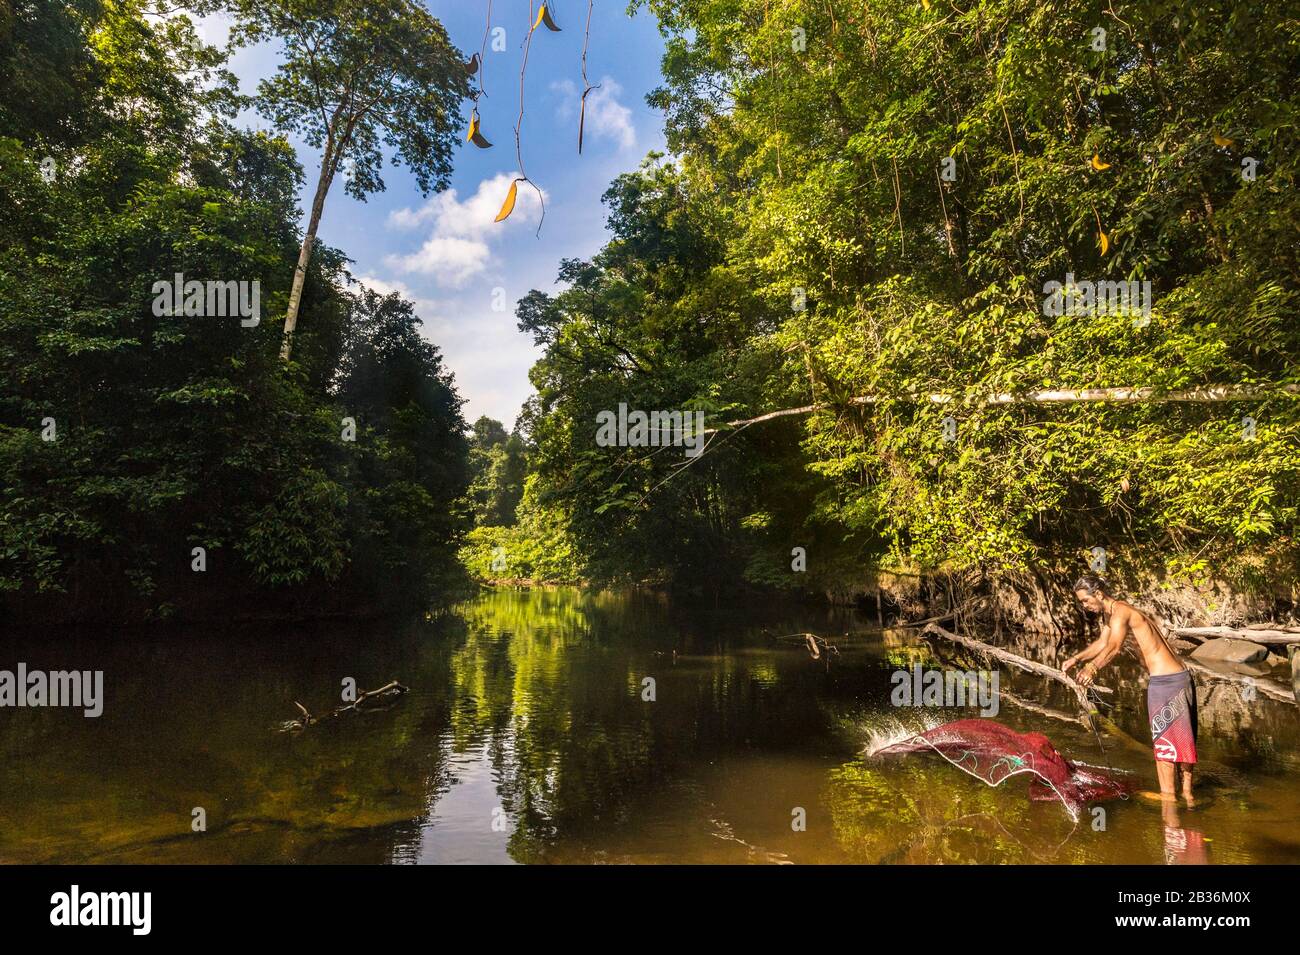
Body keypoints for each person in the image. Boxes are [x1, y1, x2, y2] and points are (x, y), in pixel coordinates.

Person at [1061, 575, 1197, 805]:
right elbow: (1102, 644)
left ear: (1099, 594)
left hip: (1166, 681)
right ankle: (1188, 796)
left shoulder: (1121, 611)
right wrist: (1076, 658)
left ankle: (1168, 800)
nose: (1084, 606)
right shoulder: (1111, 614)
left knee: (1165, 744)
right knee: (1183, 742)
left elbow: (1114, 647)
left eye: (1085, 600)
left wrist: (1092, 669)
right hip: (1178, 677)